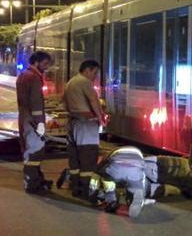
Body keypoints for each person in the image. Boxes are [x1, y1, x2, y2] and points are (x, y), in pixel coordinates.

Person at [62, 59, 107, 197]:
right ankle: (86, 189)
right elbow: (93, 100)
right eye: (95, 72)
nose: (96, 77)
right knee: (88, 156)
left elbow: (64, 102)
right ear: (87, 70)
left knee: (75, 158)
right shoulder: (85, 82)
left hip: (73, 123)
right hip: (86, 124)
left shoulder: (71, 82)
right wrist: (101, 118)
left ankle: (75, 185)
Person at [16, 51, 53, 193]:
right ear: (36, 62)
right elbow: (36, 103)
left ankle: (36, 179)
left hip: (25, 118)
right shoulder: (34, 77)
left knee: (29, 150)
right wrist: (40, 124)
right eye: (45, 63)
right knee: (35, 152)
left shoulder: (23, 75)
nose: (47, 67)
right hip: (33, 121)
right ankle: (32, 183)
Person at [88, 146, 156, 219]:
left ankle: (111, 202)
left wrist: (93, 198)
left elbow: (94, 180)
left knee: (108, 181)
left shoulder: (106, 157)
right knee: (136, 184)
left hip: (116, 169)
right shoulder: (139, 155)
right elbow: (143, 173)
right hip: (134, 170)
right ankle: (134, 197)